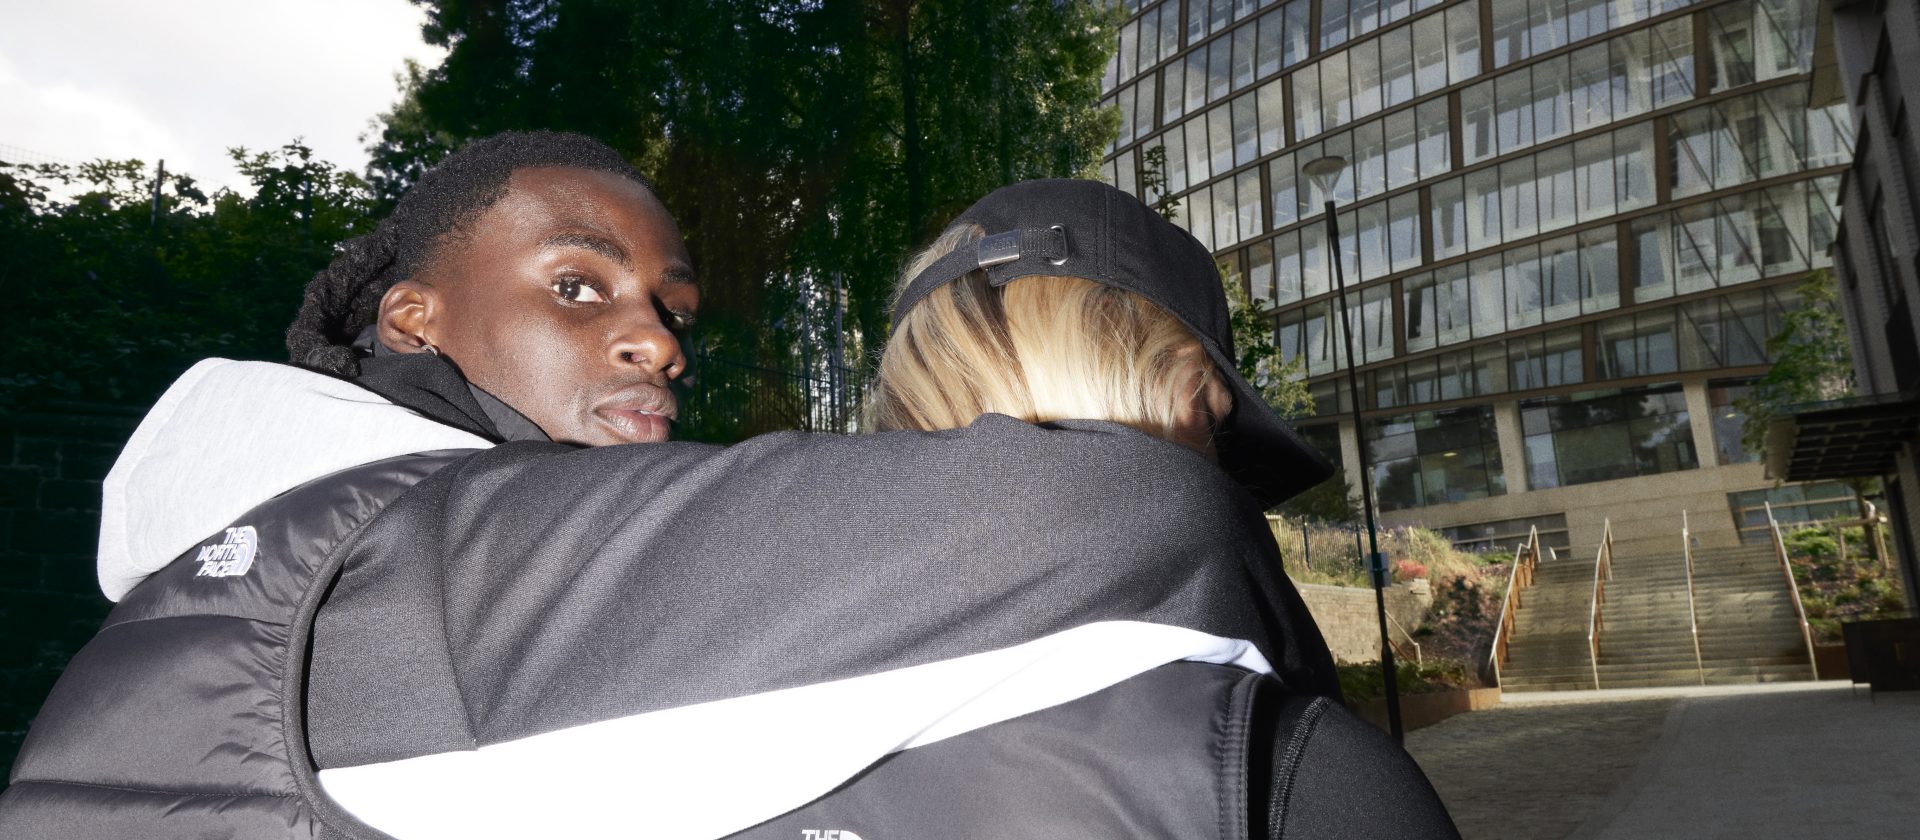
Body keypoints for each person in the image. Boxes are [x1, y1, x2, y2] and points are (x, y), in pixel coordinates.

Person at [0, 138, 1446, 840]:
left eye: (674, 308)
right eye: (579, 286)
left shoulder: (273, 564)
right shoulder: (391, 569)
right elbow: (1123, 513)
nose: (661, 341)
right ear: (410, 318)